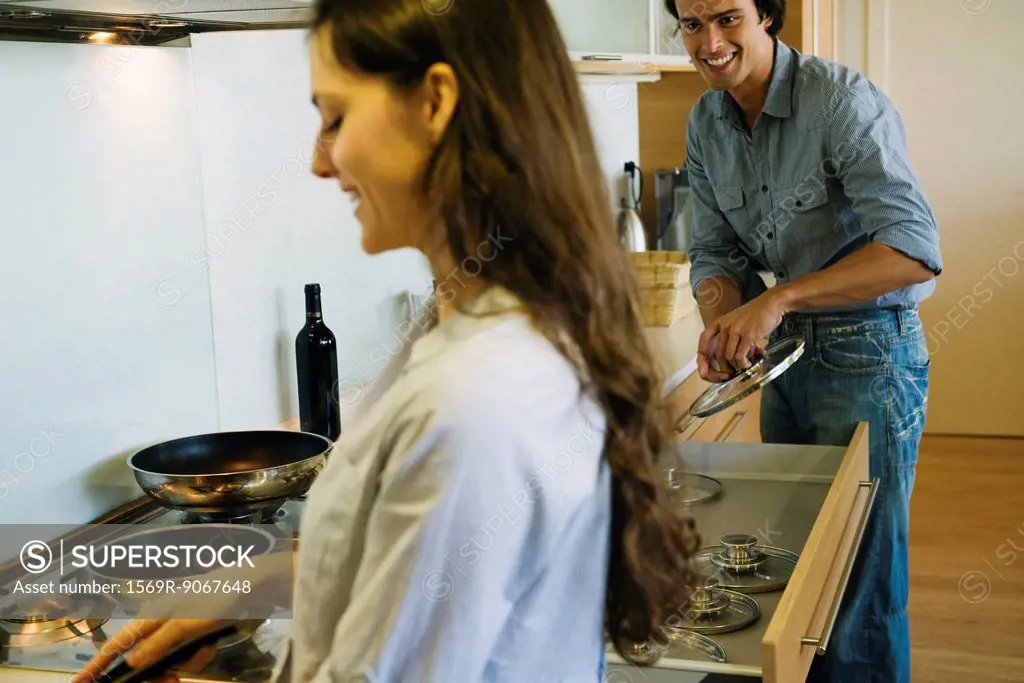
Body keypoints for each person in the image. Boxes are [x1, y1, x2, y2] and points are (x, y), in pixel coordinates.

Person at [74, 0, 703, 682]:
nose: (321, 161)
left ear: (435, 100)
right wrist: (265, 579)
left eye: (336, 117)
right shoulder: (495, 326)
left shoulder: (470, 400)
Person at [663, 0, 942, 682]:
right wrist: (725, 320)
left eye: (727, 18)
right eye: (692, 24)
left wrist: (777, 298)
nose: (710, 41)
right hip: (783, 358)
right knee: (804, 583)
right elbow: (712, 253)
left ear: (767, 15)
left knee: (860, 593)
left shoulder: (841, 100)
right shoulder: (706, 122)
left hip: (869, 354)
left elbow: (914, 249)